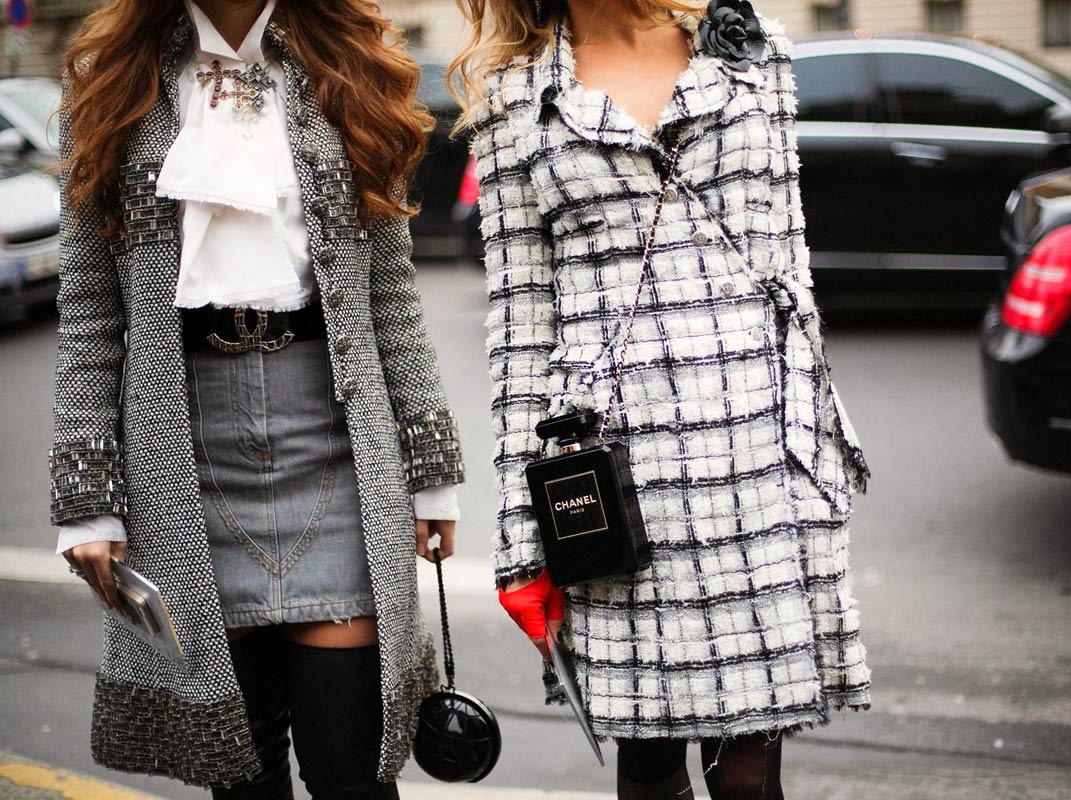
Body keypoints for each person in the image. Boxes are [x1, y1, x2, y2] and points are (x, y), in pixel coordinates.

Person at [454, 0, 871, 796]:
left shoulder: (749, 52)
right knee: (649, 766)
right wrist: (519, 539)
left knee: (748, 775)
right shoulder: (516, 97)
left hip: (755, 462)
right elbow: (520, 329)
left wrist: (816, 456)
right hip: (611, 476)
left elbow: (790, 274)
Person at [51, 1, 464, 797]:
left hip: (335, 443)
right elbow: (92, 315)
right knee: (242, 777)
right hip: (183, 457)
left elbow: (390, 295)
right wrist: (87, 503)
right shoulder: (109, 83)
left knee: (353, 773)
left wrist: (431, 472)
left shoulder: (351, 67)